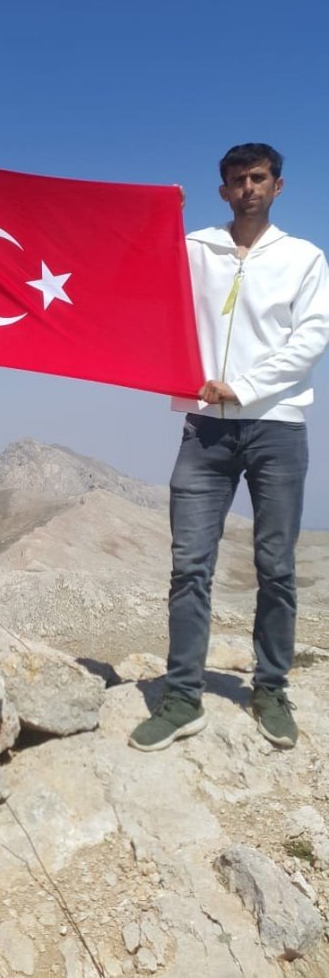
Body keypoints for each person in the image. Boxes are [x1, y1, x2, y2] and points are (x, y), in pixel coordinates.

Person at [129, 143, 329, 752]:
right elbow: (139, 284)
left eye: (258, 178)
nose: (248, 188)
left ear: (277, 186)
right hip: (204, 429)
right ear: (223, 190)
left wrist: (242, 388)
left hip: (277, 426)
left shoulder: (303, 258)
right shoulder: (193, 248)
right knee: (190, 565)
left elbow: (311, 338)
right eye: (238, 180)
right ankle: (182, 697)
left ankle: (271, 689)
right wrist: (156, 221)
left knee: (276, 566)